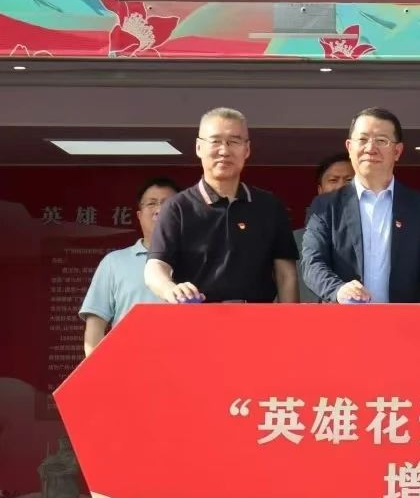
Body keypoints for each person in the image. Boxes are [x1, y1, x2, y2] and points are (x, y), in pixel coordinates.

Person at [145, 108, 299, 303]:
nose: (224, 151)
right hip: (197, 316)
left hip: (257, 317)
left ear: (247, 149)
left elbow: (286, 275)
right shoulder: (178, 208)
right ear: (199, 147)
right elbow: (155, 267)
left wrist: (290, 319)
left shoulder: (269, 206)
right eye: (215, 141)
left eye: (234, 141)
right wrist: (170, 288)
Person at [302, 108, 420, 303]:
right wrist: (337, 289)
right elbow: (312, 263)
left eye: (381, 140)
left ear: (397, 151)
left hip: (404, 320)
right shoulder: (325, 206)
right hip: (344, 317)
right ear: (349, 147)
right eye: (362, 139)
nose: (370, 148)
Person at [80, 178, 179, 356]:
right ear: (139, 215)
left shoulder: (200, 260)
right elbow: (96, 324)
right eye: (151, 203)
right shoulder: (114, 262)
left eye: (167, 203)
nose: (159, 210)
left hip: (184, 362)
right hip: (129, 362)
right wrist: (96, 369)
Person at [293, 152, 354, 302]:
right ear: (320, 190)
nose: (341, 186)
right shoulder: (294, 239)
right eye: (333, 180)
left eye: (349, 180)